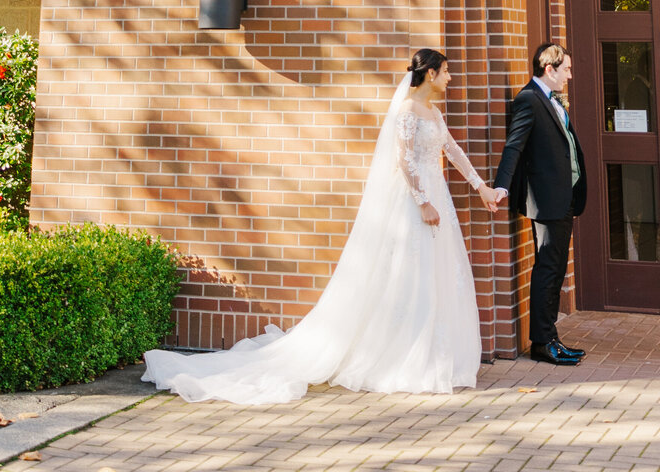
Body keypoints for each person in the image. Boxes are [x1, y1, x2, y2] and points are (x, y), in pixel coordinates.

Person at [142, 48, 501, 405]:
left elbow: (451, 150)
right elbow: (404, 159)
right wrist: (423, 202)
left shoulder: (434, 113)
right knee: (406, 274)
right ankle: (403, 357)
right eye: (447, 72)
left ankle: (431, 355)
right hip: (414, 201)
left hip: (436, 195)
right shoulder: (407, 111)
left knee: (434, 274)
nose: (451, 79)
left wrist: (480, 186)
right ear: (431, 73)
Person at [492, 42, 588, 366]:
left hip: (564, 198)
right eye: (567, 69)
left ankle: (552, 338)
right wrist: (501, 186)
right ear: (550, 69)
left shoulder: (553, 100)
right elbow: (513, 147)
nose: (570, 76)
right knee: (547, 269)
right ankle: (541, 343)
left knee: (557, 268)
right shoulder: (528, 100)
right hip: (546, 200)